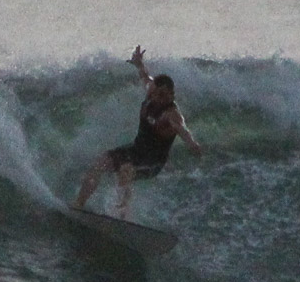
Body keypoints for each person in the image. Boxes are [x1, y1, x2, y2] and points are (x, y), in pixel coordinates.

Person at [73, 45, 203, 219]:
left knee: (126, 171)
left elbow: (182, 129)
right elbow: (145, 77)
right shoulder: (151, 92)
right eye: (156, 93)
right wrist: (139, 64)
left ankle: (121, 218)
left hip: (153, 162)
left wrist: (192, 143)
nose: (158, 98)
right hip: (136, 150)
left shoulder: (171, 114)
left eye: (163, 95)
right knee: (101, 162)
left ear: (172, 95)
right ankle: (78, 205)